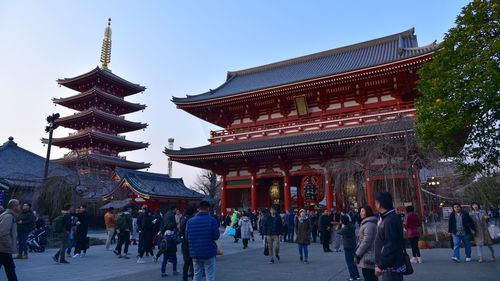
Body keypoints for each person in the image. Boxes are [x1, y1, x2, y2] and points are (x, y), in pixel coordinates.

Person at [374, 192, 405, 281]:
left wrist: (381, 265)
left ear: (379, 204)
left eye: (376, 202)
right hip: (391, 264)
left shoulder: (389, 220)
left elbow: (390, 245)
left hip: (390, 266)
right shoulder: (389, 217)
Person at [187, 201, 220, 281]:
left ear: (198, 209)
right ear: (208, 208)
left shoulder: (190, 221)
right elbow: (216, 236)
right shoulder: (212, 220)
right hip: (209, 251)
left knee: (197, 274)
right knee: (210, 275)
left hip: (195, 251)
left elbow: (187, 236)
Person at [355, 205, 378, 281]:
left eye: (363, 211)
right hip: (368, 254)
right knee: (371, 277)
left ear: (367, 212)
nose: (361, 213)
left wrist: (358, 253)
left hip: (368, 255)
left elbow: (366, 241)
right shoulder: (367, 223)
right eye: (360, 211)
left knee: (369, 276)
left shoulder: (369, 224)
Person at [0, 199, 20, 280]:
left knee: (10, 269)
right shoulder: (8, 216)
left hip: (4, 249)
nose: (20, 206)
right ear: (14, 206)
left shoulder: (9, 215)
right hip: (3, 249)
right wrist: (10, 245)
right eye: (18, 205)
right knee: (10, 269)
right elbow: (3, 233)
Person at [338, 215, 360, 281]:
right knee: (354, 261)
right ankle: (357, 275)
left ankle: (352, 276)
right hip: (353, 245)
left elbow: (338, 231)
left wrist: (339, 224)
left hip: (347, 246)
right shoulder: (352, 226)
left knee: (349, 262)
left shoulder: (344, 229)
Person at [179, 207, 197, 281]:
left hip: (184, 242)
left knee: (186, 262)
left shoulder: (183, 218)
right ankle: (193, 277)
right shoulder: (192, 220)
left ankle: (184, 278)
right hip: (191, 242)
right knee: (192, 262)